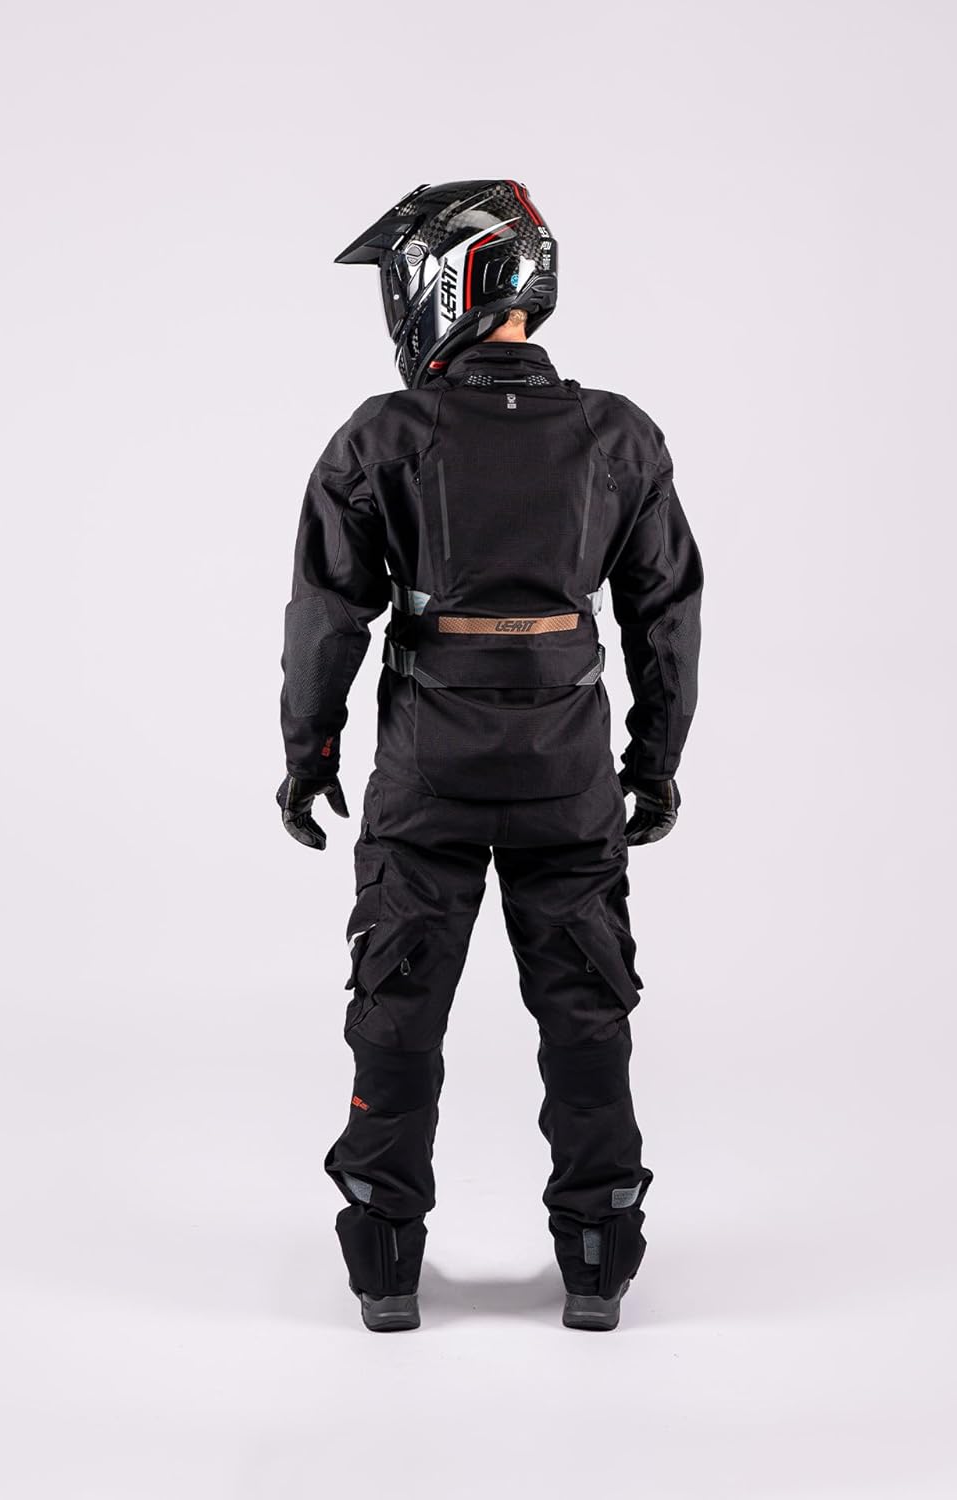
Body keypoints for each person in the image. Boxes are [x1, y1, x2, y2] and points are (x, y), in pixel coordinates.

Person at [276, 180, 702, 1332]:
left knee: (397, 1009)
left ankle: (384, 1267)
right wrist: (655, 759)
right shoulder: (618, 434)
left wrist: (308, 753)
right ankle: (599, 1261)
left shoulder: (385, 434)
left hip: (430, 771)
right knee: (586, 1012)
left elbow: (328, 613)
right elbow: (665, 612)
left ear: (445, 282)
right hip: (569, 772)